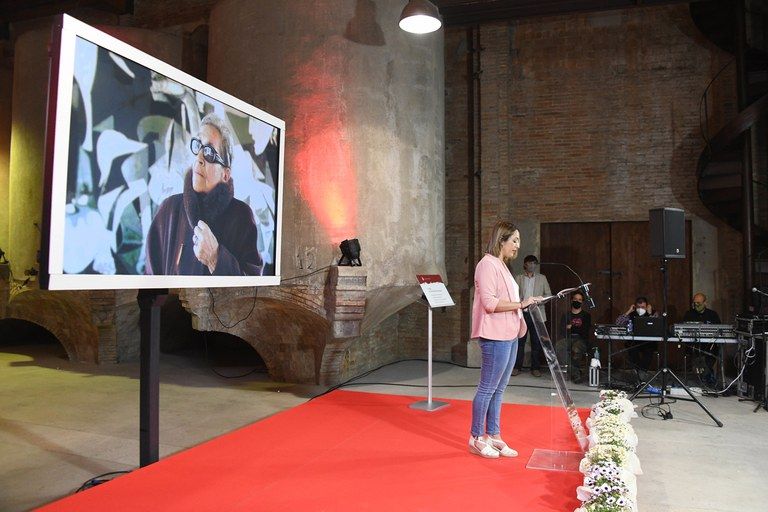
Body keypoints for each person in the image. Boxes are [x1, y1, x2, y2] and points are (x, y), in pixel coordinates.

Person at [145, 114, 263, 276]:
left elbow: (253, 291)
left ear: (225, 174)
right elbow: (149, 284)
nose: (199, 158)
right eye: (198, 146)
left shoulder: (241, 216)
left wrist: (215, 259)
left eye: (209, 152)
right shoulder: (169, 211)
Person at [469, 220, 543, 459]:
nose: (518, 246)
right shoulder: (486, 265)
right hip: (494, 335)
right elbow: (490, 304)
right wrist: (522, 303)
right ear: (501, 240)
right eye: (514, 240)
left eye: (519, 241)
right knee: (487, 388)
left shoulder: (502, 265)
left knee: (499, 389)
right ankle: (477, 437)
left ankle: (494, 435)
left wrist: (527, 304)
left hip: (510, 333)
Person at [513, 255, 552, 377]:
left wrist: (540, 300)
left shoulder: (542, 278)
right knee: (520, 342)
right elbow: (513, 294)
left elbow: (548, 294)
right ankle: (516, 367)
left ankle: (535, 368)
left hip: (537, 313)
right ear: (525, 264)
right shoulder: (518, 278)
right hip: (522, 313)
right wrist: (519, 302)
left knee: (536, 342)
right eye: (530, 263)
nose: (532, 266)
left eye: (534, 263)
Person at [682, 292, 722, 385]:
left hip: (709, 345)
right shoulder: (689, 314)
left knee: (712, 351)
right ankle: (706, 376)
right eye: (694, 303)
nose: (696, 305)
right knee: (697, 352)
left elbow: (719, 329)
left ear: (705, 303)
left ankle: (706, 375)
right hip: (693, 345)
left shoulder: (712, 314)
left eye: (698, 303)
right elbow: (683, 328)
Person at [615, 296, 658, 378]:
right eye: (638, 307)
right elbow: (618, 323)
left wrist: (649, 313)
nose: (640, 309)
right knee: (632, 349)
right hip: (634, 341)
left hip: (648, 342)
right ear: (635, 306)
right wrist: (629, 311)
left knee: (649, 350)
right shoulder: (632, 314)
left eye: (643, 307)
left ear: (647, 306)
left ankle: (641, 371)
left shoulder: (653, 313)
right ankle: (638, 372)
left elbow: (655, 326)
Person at [555, 291, 592, 383]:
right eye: (575, 299)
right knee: (558, 346)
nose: (577, 301)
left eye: (579, 300)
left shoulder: (586, 316)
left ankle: (573, 373)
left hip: (581, 339)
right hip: (568, 338)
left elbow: (585, 331)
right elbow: (562, 330)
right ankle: (575, 372)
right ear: (572, 300)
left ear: (582, 302)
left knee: (576, 349)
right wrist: (575, 328)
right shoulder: (566, 315)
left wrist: (572, 327)